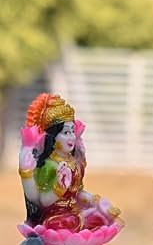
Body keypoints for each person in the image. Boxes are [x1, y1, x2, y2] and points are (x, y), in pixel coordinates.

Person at [18, 93, 121, 232]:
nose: (72, 136)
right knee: (68, 223)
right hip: (55, 217)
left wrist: (96, 202)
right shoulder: (49, 165)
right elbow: (43, 201)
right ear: (53, 137)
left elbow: (77, 193)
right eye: (66, 132)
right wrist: (59, 187)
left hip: (74, 212)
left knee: (100, 217)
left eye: (73, 131)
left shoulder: (74, 163)